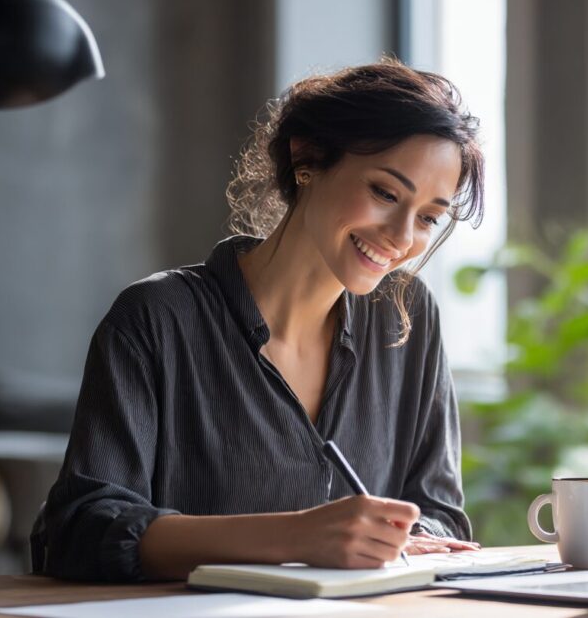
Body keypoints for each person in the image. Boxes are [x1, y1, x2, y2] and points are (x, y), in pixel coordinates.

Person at [31, 59, 486, 582]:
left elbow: (440, 519)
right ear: (307, 158)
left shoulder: (409, 319)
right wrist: (297, 538)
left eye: (429, 216)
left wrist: (399, 540)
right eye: (385, 193)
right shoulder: (158, 320)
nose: (403, 237)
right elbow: (80, 531)